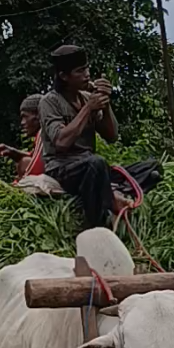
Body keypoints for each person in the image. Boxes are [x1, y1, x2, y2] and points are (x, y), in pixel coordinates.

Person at [38, 45, 128, 228]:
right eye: (80, 71)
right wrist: (88, 109)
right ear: (64, 76)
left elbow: (111, 136)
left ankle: (111, 194)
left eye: (87, 68)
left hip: (91, 166)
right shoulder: (49, 102)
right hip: (62, 167)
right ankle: (97, 224)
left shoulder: (87, 97)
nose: (87, 75)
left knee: (151, 168)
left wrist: (105, 103)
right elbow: (61, 142)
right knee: (97, 163)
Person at [0, 95, 45, 181]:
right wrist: (12, 153)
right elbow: (35, 157)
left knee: (24, 162)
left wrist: (16, 184)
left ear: (38, 116)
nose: (22, 122)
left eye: (25, 116)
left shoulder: (44, 134)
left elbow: (35, 167)